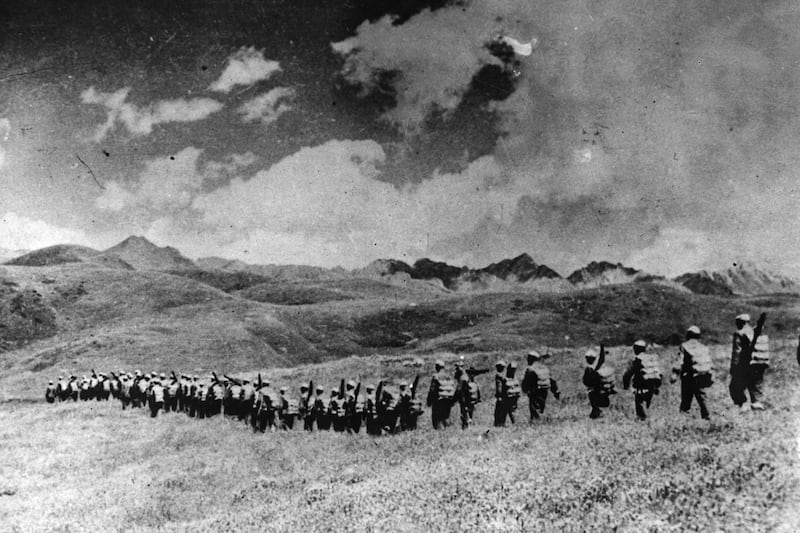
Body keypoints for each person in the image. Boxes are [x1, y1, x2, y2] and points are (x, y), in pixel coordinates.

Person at [730, 314, 768, 411]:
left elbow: (737, 352)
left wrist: (734, 367)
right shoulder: (756, 332)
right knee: (756, 384)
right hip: (759, 362)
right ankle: (756, 403)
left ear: (739, 323)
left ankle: (742, 404)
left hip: (745, 364)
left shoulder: (739, 333)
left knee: (735, 385)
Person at [672, 325, 711, 419]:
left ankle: (684, 420)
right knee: (703, 399)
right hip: (701, 376)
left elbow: (679, 361)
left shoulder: (684, 346)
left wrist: (674, 374)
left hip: (688, 377)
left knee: (686, 400)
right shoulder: (703, 347)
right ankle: (707, 418)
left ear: (688, 335)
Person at [622, 340, 662, 420]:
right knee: (648, 401)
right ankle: (650, 417)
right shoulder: (651, 358)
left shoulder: (638, 359)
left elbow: (629, 373)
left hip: (642, 384)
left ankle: (642, 418)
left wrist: (626, 384)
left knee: (639, 402)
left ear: (636, 349)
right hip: (652, 384)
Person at [521, 350, 560, 422]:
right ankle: (543, 420)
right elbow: (551, 379)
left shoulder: (530, 368)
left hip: (535, 391)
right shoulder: (544, 367)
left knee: (534, 407)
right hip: (545, 389)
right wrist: (555, 390)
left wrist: (525, 390)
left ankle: (536, 422)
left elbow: (526, 381)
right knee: (542, 406)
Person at [583, 348, 615, 419]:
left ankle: (596, 411)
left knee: (593, 397)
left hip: (596, 387)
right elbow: (601, 359)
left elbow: (601, 359)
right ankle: (596, 411)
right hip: (595, 387)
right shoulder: (592, 367)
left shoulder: (593, 367)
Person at [426, 360, 455, 429]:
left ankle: (441, 434)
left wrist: (429, 401)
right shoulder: (448, 376)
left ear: (437, 367)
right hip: (448, 400)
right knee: (446, 417)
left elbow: (432, 390)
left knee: (438, 419)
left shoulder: (436, 376)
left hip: (438, 401)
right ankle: (449, 432)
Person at [455, 363, 480, 429]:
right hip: (471, 397)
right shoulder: (468, 377)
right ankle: (469, 424)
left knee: (465, 412)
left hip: (465, 398)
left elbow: (460, 389)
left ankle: (466, 426)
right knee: (469, 411)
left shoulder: (463, 377)